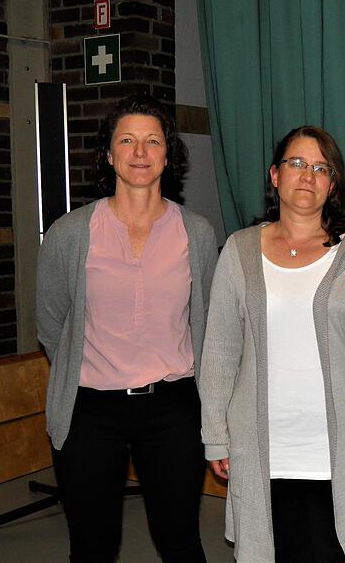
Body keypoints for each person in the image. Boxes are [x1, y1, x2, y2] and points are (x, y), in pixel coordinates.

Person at [36, 93, 218, 562]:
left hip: (174, 409)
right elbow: (52, 321)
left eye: (152, 141)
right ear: (110, 153)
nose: (140, 153)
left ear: (168, 154)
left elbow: (208, 321)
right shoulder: (70, 233)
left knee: (180, 541)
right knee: (93, 546)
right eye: (128, 141)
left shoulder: (196, 233)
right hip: (89, 411)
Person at [199, 125, 345, 562]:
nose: (308, 175)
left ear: (333, 184)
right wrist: (216, 436)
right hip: (262, 447)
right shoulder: (239, 250)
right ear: (274, 175)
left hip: (340, 449)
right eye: (296, 163)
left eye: (322, 168)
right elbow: (220, 350)